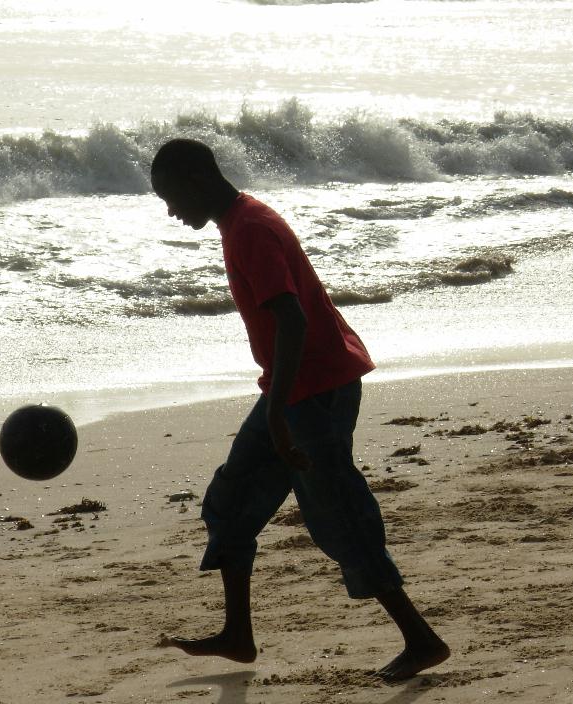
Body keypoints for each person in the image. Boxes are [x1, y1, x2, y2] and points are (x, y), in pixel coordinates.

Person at [149, 138, 450, 680]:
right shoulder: (239, 224)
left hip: (314, 390)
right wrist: (276, 404)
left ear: (197, 179)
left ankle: (421, 638)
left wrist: (279, 410)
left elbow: (292, 321)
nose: (171, 211)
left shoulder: (251, 231)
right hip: (289, 390)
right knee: (231, 500)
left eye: (171, 197)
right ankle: (237, 636)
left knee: (338, 514)